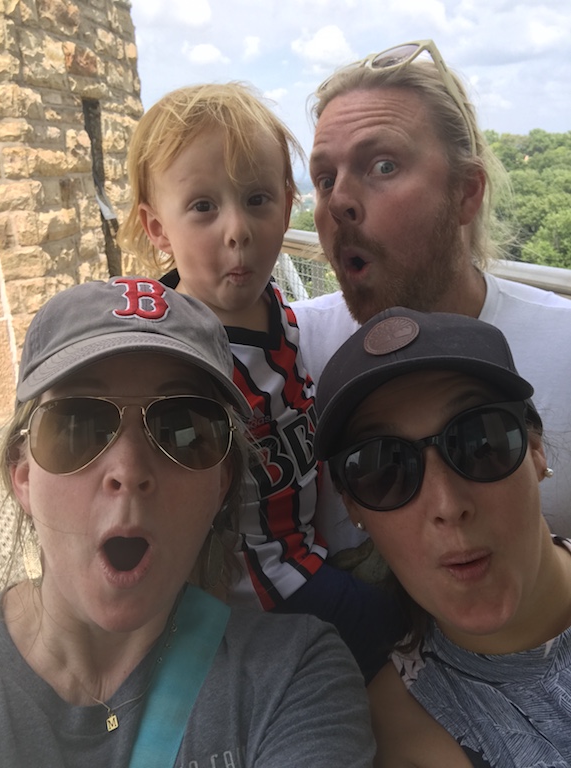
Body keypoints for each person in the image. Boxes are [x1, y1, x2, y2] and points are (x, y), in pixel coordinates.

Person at [0, 276, 376, 766]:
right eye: (79, 426)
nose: (128, 472)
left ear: (221, 486)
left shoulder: (293, 677)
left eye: (182, 430)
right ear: (23, 476)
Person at [117, 82, 403, 683]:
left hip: (307, 555)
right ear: (157, 228)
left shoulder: (278, 312)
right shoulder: (182, 363)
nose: (237, 230)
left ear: (287, 203)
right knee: (398, 629)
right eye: (202, 207)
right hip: (259, 592)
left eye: (256, 199)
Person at [292, 39, 571, 549]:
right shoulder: (289, 351)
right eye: (325, 178)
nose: (339, 203)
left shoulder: (565, 347)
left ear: (466, 192)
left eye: (383, 166)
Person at [314, 305, 571, 768]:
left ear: (534, 451)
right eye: (383, 468)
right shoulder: (394, 736)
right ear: (353, 506)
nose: (448, 506)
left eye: (481, 442)